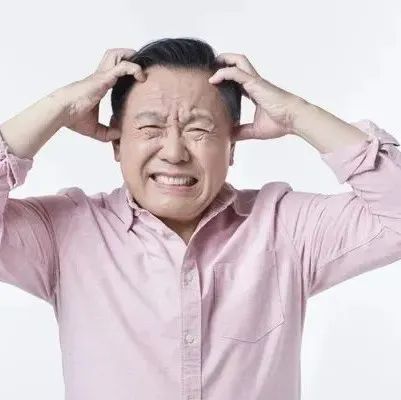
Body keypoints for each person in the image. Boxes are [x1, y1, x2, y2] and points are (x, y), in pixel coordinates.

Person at [0, 37, 400, 400]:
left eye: (199, 129)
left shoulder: (285, 228)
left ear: (232, 146)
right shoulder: (64, 234)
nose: (174, 153)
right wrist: (60, 106)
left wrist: (298, 114)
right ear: (117, 143)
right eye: (150, 127)